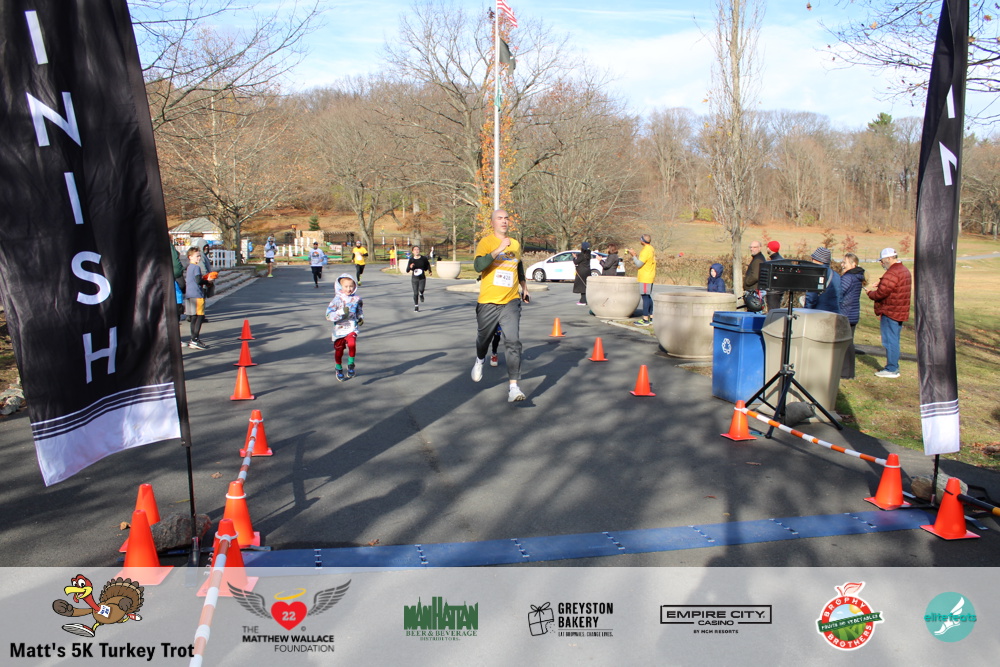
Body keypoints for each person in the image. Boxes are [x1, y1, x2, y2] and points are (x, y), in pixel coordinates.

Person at [470, 208, 528, 402]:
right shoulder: (486, 242)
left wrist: (524, 287)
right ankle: (480, 359)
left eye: (506, 218)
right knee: (483, 339)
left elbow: (519, 266)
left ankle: (513, 387)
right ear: (493, 222)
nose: (504, 221)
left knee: (513, 341)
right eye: (499, 218)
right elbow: (478, 266)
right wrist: (498, 249)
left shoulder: (516, 244)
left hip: (510, 301)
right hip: (488, 301)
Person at [866, 247, 912, 379]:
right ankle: (893, 367)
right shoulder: (903, 270)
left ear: (890, 258)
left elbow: (881, 293)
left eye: (882, 260)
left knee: (889, 341)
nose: (881, 263)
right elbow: (893, 286)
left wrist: (870, 293)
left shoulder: (892, 273)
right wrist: (882, 282)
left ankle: (892, 369)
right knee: (894, 339)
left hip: (891, 311)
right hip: (899, 310)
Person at [325, 273, 364, 381]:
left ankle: (351, 365)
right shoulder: (337, 300)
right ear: (340, 287)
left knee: (352, 344)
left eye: (351, 286)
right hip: (340, 329)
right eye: (346, 286)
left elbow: (359, 311)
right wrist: (341, 312)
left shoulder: (357, 299)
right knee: (339, 351)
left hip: (351, 327)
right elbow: (328, 315)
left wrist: (360, 318)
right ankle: (338, 368)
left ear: (354, 286)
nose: (349, 289)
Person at [838, 252, 866, 380]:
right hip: (853, 313)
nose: (842, 265)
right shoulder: (857, 276)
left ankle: (844, 372)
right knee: (849, 343)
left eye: (845, 262)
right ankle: (849, 372)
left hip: (846, 313)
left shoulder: (848, 277)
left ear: (853, 264)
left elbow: (840, 292)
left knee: (844, 343)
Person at [184, 247, 213, 349]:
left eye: (199, 256)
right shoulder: (196, 267)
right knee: (199, 317)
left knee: (193, 317)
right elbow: (198, 281)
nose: (199, 258)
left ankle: (193, 338)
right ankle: (195, 339)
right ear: (190, 257)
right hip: (197, 294)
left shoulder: (189, 267)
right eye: (197, 256)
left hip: (189, 294)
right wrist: (207, 281)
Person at [626, 234, 656, 325]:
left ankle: (645, 319)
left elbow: (639, 264)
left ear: (642, 240)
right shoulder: (650, 248)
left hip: (645, 277)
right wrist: (636, 255)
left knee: (645, 297)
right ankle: (651, 317)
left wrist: (633, 256)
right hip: (649, 275)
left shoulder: (645, 250)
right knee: (648, 296)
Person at [804, 247, 841, 313]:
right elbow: (840, 297)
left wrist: (805, 311)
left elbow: (811, 298)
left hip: (819, 313)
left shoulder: (815, 274)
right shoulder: (836, 275)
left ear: (816, 260)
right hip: (834, 313)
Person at [405, 245, 432, 311]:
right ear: (412, 251)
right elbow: (407, 270)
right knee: (415, 293)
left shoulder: (423, 258)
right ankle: (416, 306)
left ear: (419, 251)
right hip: (414, 278)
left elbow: (427, 265)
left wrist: (430, 271)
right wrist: (410, 267)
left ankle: (421, 294)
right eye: (415, 249)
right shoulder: (411, 259)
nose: (416, 251)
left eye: (418, 249)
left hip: (422, 277)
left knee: (421, 289)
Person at [742, 240, 765, 311]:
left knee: (755, 312)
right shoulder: (756, 258)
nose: (752, 249)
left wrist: (747, 282)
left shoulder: (758, 260)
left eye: (755, 247)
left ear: (760, 248)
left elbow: (755, 276)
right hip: (754, 290)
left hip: (755, 291)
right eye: (751, 247)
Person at [764, 241, 783, 311]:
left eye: (768, 247)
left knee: (773, 311)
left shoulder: (774, 262)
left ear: (770, 249)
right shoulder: (780, 260)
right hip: (778, 291)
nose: (767, 248)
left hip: (773, 292)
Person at [573, 241, 592, 305]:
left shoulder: (582, 255)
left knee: (581, 286)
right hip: (587, 271)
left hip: (581, 271)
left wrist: (575, 257)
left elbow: (576, 262)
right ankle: (585, 299)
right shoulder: (588, 254)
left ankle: (583, 300)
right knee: (585, 285)